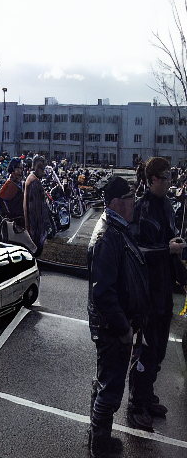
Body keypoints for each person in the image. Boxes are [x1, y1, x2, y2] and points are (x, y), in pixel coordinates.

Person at [88, 176, 150, 458]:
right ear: (115, 202)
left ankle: (97, 437)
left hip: (114, 325)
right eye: (129, 199)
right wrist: (123, 327)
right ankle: (100, 446)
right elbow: (103, 293)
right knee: (110, 390)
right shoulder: (108, 236)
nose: (133, 203)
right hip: (112, 328)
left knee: (106, 381)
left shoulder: (116, 228)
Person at [127, 157, 185, 430]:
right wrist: (167, 249)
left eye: (172, 177)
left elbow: (168, 243)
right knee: (145, 350)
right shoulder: (142, 209)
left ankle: (147, 395)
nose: (171, 182)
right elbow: (136, 251)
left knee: (159, 350)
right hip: (147, 294)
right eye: (166, 177)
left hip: (164, 292)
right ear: (153, 179)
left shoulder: (167, 206)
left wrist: (180, 272)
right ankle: (136, 404)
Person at [23, 154, 50, 256]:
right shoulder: (34, 182)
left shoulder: (32, 179)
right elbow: (35, 209)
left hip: (33, 225)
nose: (41, 170)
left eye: (43, 167)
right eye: (39, 167)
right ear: (34, 166)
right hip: (35, 226)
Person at [0, 158, 24, 226]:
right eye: (19, 168)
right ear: (13, 170)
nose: (21, 170)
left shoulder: (17, 182)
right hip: (16, 222)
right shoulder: (10, 184)